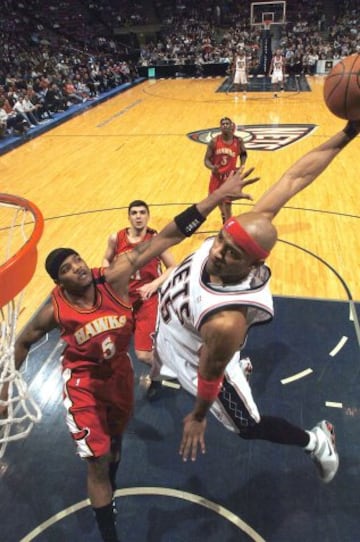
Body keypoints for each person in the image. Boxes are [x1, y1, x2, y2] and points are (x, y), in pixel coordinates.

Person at [1, 170, 257, 542]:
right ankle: (109, 533)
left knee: (115, 450)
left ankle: (108, 491)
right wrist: (5, 389)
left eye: (77, 260)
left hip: (119, 377)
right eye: (68, 270)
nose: (78, 268)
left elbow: (168, 235)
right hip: (84, 385)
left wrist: (216, 198)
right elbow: (22, 342)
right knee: (98, 462)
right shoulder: (54, 310)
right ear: (60, 282)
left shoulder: (115, 277)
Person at [152, 120, 360, 482]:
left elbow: (208, 374)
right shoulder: (249, 229)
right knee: (213, 351)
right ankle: (237, 363)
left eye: (231, 254)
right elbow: (295, 177)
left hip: (199, 356)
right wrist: (349, 131)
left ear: (253, 262)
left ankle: (315, 441)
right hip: (178, 332)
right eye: (219, 241)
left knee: (246, 425)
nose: (217, 253)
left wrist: (199, 415)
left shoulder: (226, 320)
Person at [102, 200, 176, 367]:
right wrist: (108, 278)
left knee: (143, 355)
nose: (138, 216)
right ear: (128, 217)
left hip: (146, 298)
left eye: (142, 212)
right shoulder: (116, 238)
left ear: (148, 216)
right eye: (134, 213)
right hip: (122, 298)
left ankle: (173, 370)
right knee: (107, 346)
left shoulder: (156, 240)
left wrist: (154, 285)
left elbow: (173, 266)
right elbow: (106, 259)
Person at [204, 116, 248, 224]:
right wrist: (211, 167)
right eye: (222, 124)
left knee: (228, 203)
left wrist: (242, 165)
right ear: (220, 127)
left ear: (231, 126)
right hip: (217, 176)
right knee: (216, 200)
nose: (225, 125)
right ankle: (224, 215)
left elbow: (243, 154)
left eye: (227, 124)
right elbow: (206, 160)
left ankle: (228, 224)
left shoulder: (238, 141)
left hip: (229, 177)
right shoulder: (214, 142)